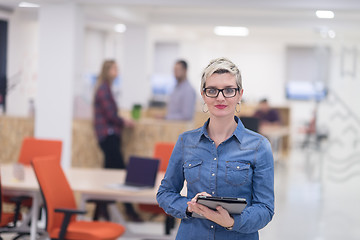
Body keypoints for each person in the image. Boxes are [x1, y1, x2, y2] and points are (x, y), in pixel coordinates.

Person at [157, 58, 274, 239]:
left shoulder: (259, 146)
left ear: (239, 94)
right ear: (204, 95)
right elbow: (165, 193)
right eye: (212, 90)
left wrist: (231, 222)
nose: (220, 97)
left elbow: (265, 208)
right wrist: (189, 206)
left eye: (228, 90)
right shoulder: (186, 142)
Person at [93, 59, 141, 222]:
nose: (117, 71)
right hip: (108, 136)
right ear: (107, 70)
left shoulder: (106, 89)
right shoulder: (103, 90)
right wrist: (124, 122)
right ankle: (129, 211)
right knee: (122, 173)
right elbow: (110, 116)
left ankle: (102, 210)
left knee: (109, 174)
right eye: (114, 68)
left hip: (109, 136)